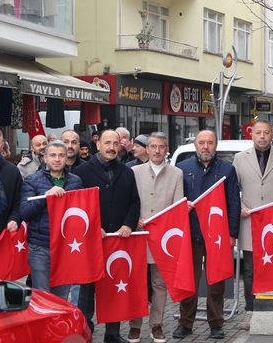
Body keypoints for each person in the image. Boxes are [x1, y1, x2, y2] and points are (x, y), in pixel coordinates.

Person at [73, 129, 141, 343]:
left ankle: (113, 334)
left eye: (115, 143)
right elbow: (77, 205)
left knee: (115, 287)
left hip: (118, 240)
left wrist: (129, 224)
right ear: (98, 145)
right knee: (87, 291)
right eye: (107, 143)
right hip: (92, 240)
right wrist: (93, 227)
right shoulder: (82, 172)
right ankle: (85, 332)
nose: (112, 147)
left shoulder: (128, 172)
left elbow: (134, 202)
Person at [174, 130, 241, 340]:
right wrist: (181, 206)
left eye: (210, 143)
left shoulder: (227, 170)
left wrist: (232, 233)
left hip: (217, 237)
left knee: (216, 283)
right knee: (188, 283)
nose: (205, 147)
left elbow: (234, 203)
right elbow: (174, 200)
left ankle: (216, 324)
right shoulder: (182, 169)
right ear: (195, 145)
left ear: (215, 145)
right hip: (191, 235)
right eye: (201, 142)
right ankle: (185, 324)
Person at [233, 119, 273, 330]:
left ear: (272, 135)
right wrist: (239, 206)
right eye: (258, 132)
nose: (262, 136)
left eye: (266, 133)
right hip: (250, 222)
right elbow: (233, 190)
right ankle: (251, 311)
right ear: (251, 134)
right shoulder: (240, 158)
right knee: (250, 270)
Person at [129, 132, 184, 343]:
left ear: (166, 148)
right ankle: (135, 326)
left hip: (162, 238)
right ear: (147, 148)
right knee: (137, 283)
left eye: (161, 146)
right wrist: (136, 220)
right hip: (138, 235)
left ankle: (157, 325)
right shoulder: (134, 172)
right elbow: (130, 201)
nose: (157, 151)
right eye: (153, 146)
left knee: (159, 283)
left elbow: (178, 207)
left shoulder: (176, 174)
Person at [18, 140, 83, 298]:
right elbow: (25, 213)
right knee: (43, 296)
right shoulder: (31, 181)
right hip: (40, 247)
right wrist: (45, 197)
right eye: (52, 155)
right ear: (45, 158)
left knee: (62, 296)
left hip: (66, 247)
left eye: (61, 155)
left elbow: (81, 211)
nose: (57, 159)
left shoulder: (76, 181)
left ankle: (59, 324)